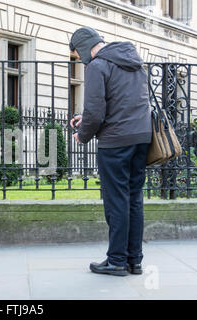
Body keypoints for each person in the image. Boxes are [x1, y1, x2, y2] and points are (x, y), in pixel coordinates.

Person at [69, 27, 152, 276]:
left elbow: (95, 112)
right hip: (142, 137)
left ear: (84, 47)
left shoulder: (97, 66)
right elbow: (125, 102)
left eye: (77, 54)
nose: (80, 59)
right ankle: (134, 260)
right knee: (134, 199)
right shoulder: (135, 62)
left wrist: (82, 135)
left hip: (115, 142)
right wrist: (88, 118)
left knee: (116, 201)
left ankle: (116, 260)